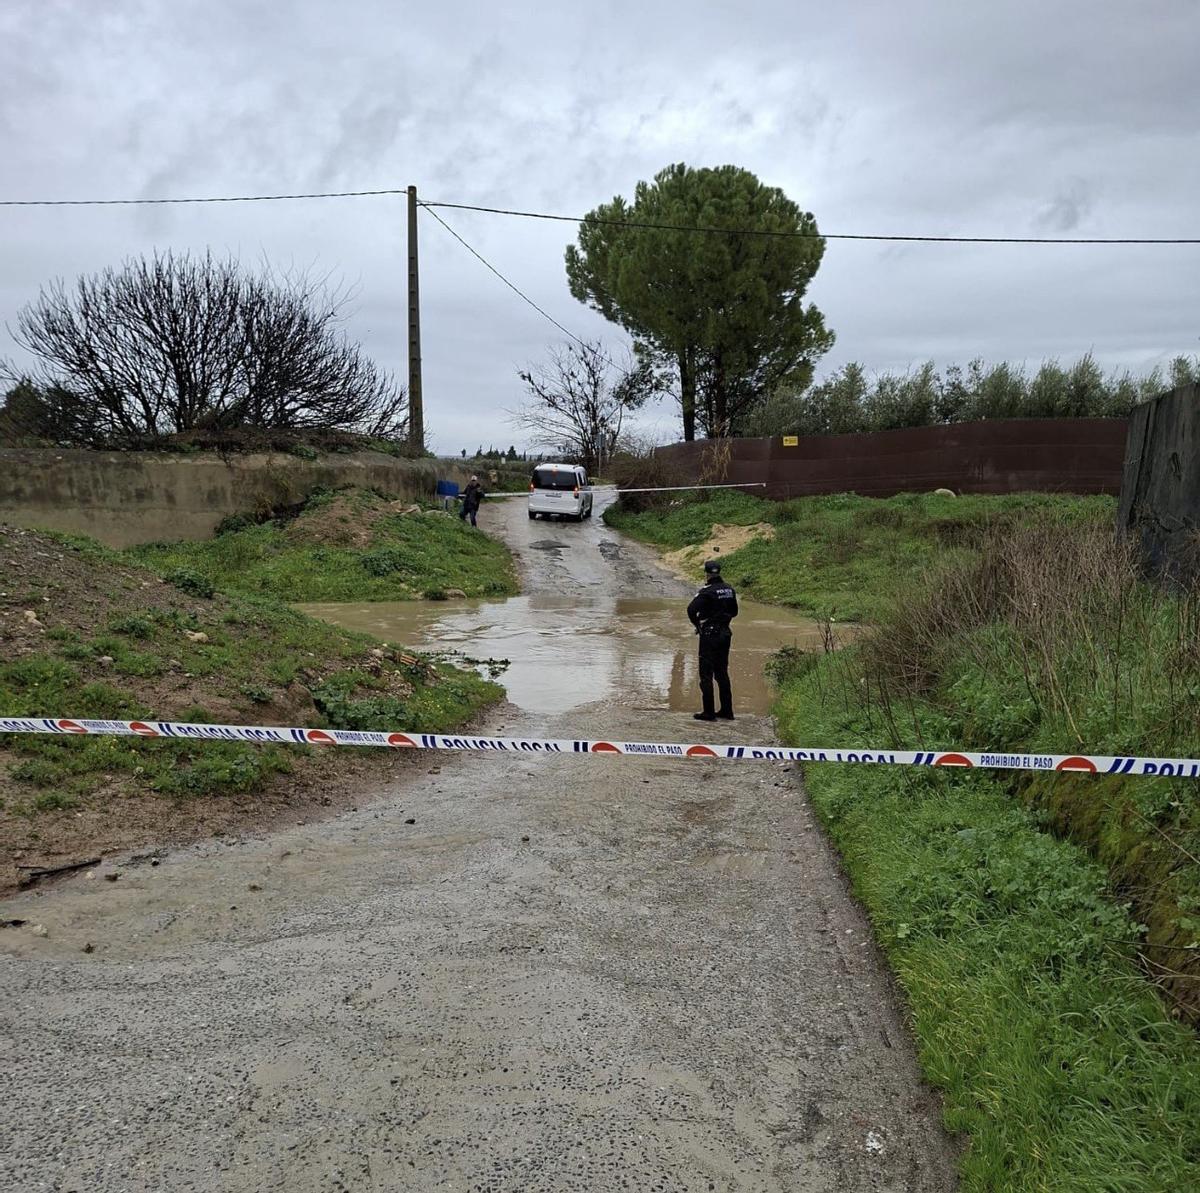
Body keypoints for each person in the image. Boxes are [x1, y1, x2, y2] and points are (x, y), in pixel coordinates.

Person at [687, 559, 739, 721]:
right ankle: (726, 711)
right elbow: (734, 612)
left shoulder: (707, 591)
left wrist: (699, 625)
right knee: (722, 673)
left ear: (707, 574)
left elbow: (691, 609)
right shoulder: (729, 589)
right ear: (719, 572)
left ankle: (708, 712)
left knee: (706, 674)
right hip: (725, 633)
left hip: (710, 635)